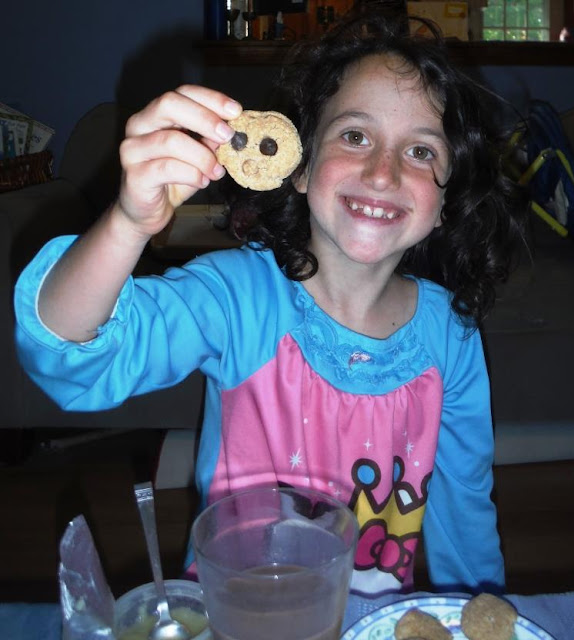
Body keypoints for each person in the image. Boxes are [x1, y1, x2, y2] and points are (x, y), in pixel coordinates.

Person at [14, 8, 526, 597]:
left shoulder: (451, 336)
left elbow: (466, 514)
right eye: (355, 136)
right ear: (300, 167)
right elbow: (69, 355)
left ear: (446, 201)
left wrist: (482, 613)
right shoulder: (238, 300)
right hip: (235, 613)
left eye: (420, 152)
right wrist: (128, 223)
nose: (383, 172)